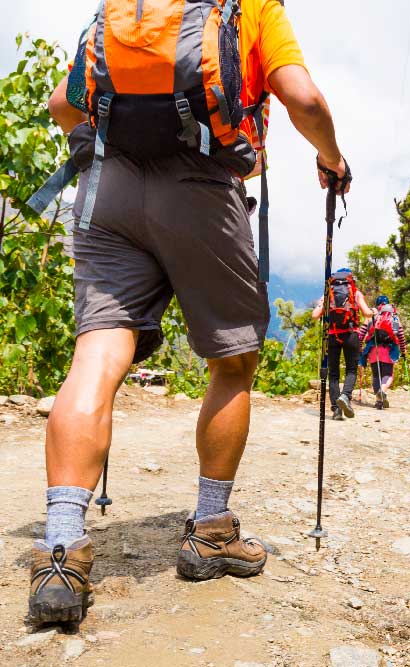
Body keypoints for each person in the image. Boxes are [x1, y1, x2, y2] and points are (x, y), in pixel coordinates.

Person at [32, 0, 351, 624]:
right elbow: (302, 99)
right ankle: (209, 530)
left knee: (97, 354)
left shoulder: (126, 9)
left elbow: (63, 105)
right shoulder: (250, 8)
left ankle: (61, 549)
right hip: (202, 189)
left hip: (110, 192)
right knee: (233, 360)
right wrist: (331, 158)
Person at [311, 269, 374, 420]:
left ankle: (336, 410)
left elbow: (314, 315)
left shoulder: (328, 293)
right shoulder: (356, 293)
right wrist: (372, 311)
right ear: (350, 279)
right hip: (351, 334)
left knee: (333, 373)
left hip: (332, 336)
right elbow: (366, 313)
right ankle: (345, 396)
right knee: (351, 370)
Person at [359, 296, 408, 409]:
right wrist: (403, 350)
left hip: (372, 349)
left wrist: (359, 347)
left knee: (376, 375)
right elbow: (400, 334)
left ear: (377, 304)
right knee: (388, 374)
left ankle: (379, 401)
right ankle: (383, 390)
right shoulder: (393, 316)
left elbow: (361, 333)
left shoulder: (371, 315)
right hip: (388, 349)